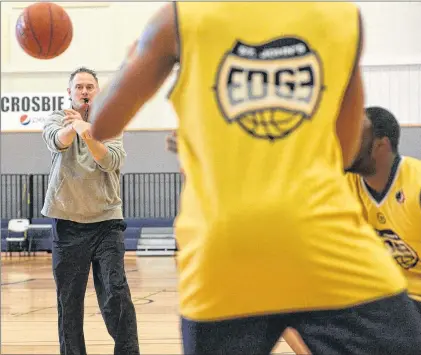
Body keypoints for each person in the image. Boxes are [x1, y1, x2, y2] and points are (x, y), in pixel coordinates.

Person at [89, 3, 421, 354]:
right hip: (324, 245)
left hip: (222, 256)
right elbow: (344, 148)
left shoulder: (179, 18)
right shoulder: (342, 17)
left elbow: (102, 123)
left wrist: (134, 57)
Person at [41, 67, 140, 355]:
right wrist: (75, 128)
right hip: (67, 223)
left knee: (115, 294)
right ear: (69, 93)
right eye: (79, 86)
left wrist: (88, 132)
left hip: (106, 222)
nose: (84, 91)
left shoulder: (111, 121)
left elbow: (110, 160)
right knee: (69, 303)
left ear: (98, 92)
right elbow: (57, 141)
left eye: (90, 86)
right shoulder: (57, 118)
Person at [346, 106, 421, 313]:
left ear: (381, 146)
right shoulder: (345, 185)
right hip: (380, 295)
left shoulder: (416, 184)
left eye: (354, 137)